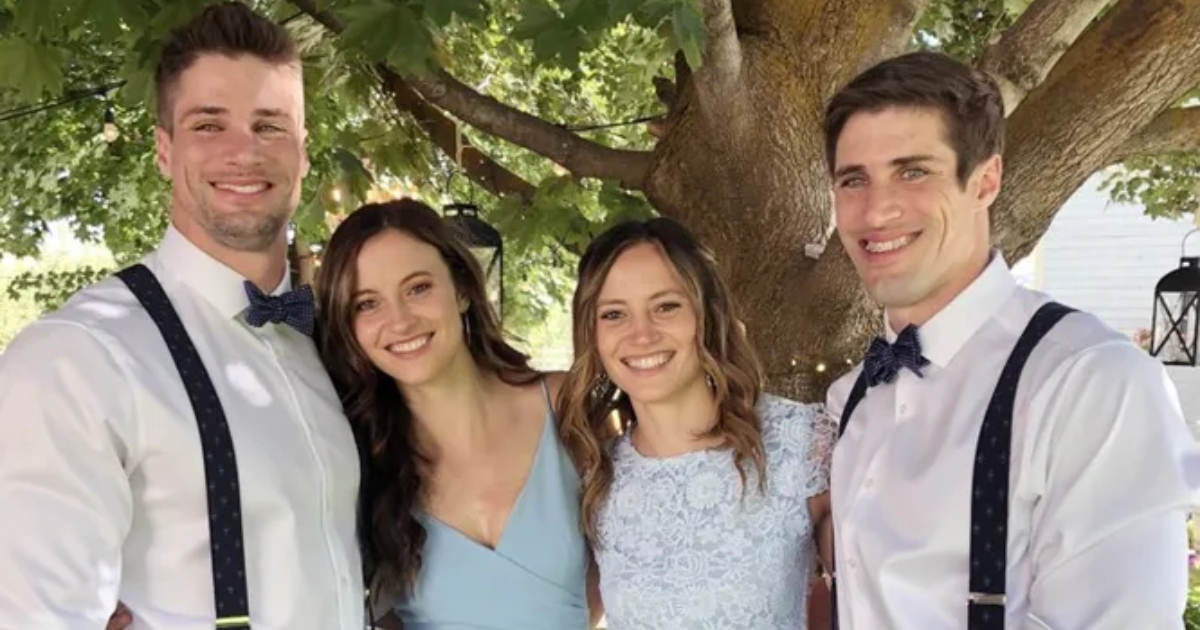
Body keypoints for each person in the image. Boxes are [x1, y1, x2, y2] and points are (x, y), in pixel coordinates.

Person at [0, 3, 364, 628]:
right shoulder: (79, 357)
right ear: (165, 150)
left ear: (303, 153)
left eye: (270, 125)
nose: (244, 152)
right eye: (209, 125)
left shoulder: (329, 344)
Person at [823, 50, 1200, 629]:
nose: (876, 211)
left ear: (986, 181)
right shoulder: (851, 398)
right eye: (854, 180)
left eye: (913, 171)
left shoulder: (1088, 382)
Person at [314, 198, 601, 629]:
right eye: (367, 304)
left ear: (462, 289)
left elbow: (623, 567)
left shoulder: (565, 406)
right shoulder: (359, 458)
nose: (400, 321)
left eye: (417, 288)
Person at [557, 217, 834, 630]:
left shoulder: (800, 443)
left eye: (666, 306)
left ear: (706, 314)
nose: (641, 335)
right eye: (614, 314)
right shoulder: (596, 477)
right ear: (592, 335)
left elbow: (885, 594)